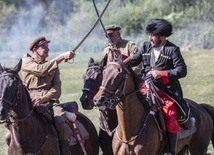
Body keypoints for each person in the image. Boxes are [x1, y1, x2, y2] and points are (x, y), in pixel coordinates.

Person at [126, 18, 192, 155]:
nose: (150, 38)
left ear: (162, 35)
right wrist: (120, 60)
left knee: (170, 114)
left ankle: (170, 151)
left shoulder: (172, 50)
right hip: (144, 88)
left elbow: (182, 70)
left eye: (153, 35)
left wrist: (161, 73)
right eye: (149, 34)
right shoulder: (145, 46)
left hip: (165, 91)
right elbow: (133, 60)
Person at [21, 36, 75, 155]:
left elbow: (57, 88)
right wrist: (62, 56)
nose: (48, 49)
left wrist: (44, 98)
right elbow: (41, 70)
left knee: (59, 120)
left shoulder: (53, 66)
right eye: (44, 47)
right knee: (14, 124)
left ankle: (64, 149)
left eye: (48, 47)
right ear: (35, 49)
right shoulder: (26, 61)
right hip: (30, 101)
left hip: (49, 101)